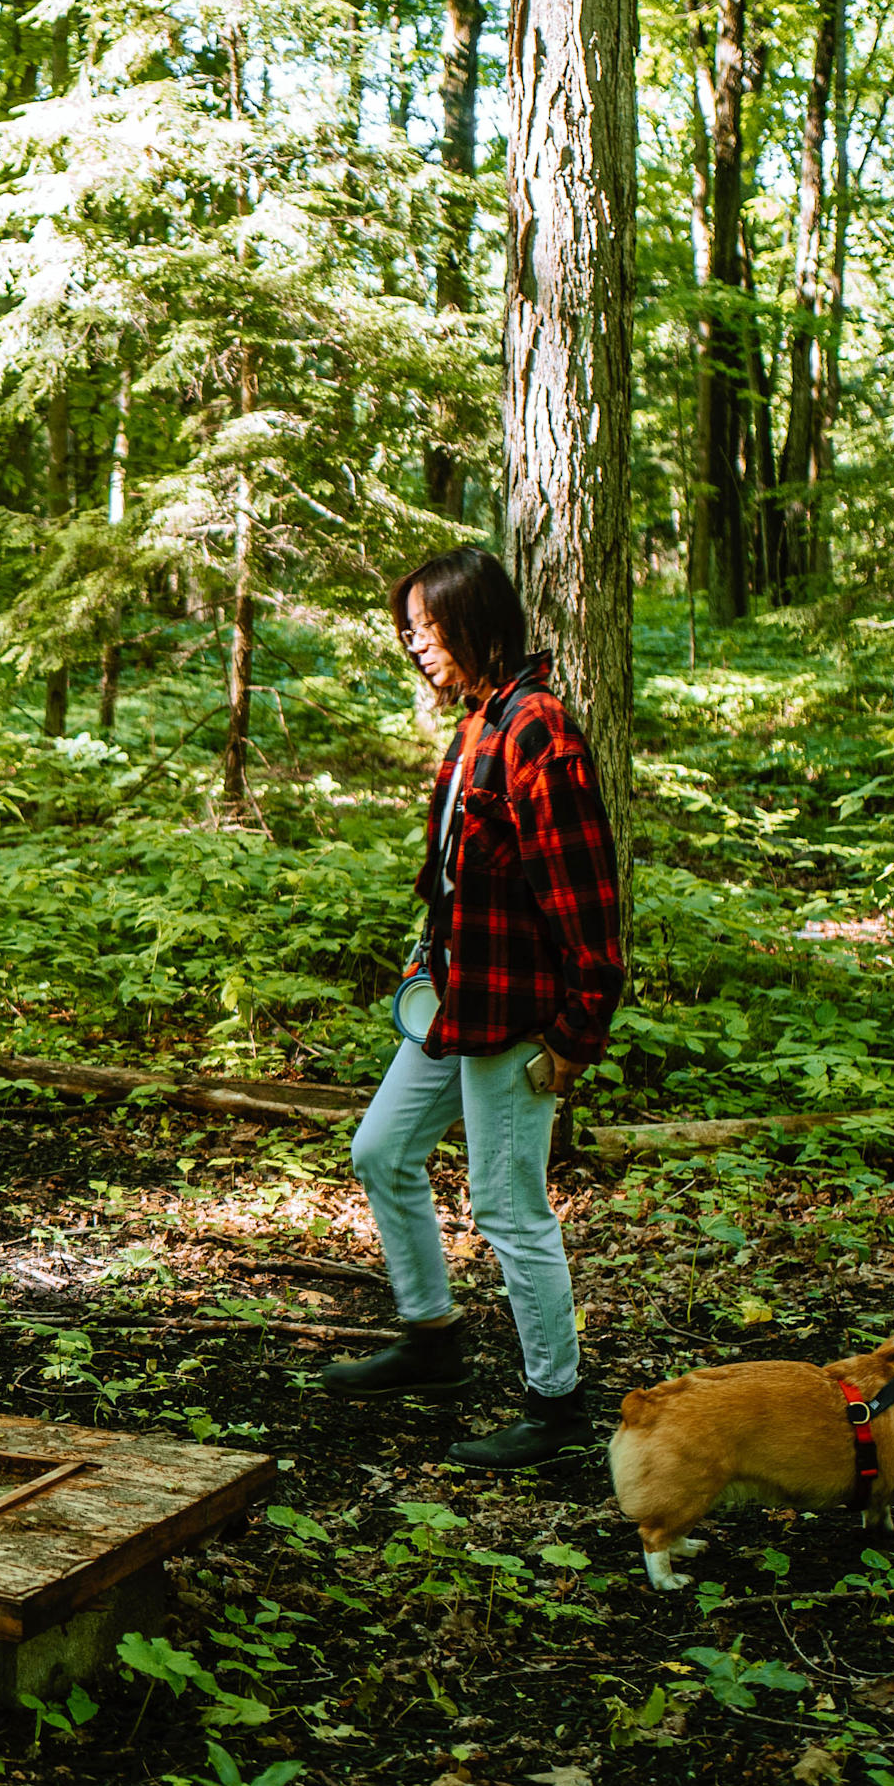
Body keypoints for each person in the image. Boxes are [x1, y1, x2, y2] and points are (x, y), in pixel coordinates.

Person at [319, 547, 626, 1473]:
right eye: (407, 631)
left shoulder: (541, 733)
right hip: (458, 1001)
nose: (415, 647)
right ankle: (434, 1343)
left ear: (476, 621)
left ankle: (558, 1407)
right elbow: (463, 873)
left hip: (521, 1015)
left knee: (508, 1206)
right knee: (381, 1151)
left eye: (427, 629)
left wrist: (575, 1036)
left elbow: (590, 904)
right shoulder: (475, 729)